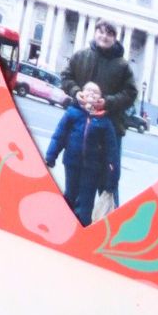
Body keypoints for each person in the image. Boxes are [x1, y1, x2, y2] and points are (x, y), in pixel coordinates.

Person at [44, 82, 120, 226]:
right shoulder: (72, 113)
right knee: (69, 195)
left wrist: (112, 178)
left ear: (101, 99)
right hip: (71, 163)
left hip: (92, 168)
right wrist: (50, 156)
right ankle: (62, 224)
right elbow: (59, 136)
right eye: (88, 90)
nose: (91, 93)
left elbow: (112, 152)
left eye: (96, 92)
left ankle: (82, 228)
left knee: (86, 202)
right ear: (81, 94)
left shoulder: (105, 121)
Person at [60, 18, 138, 147]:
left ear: (115, 38)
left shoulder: (123, 65)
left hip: (110, 127)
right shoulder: (80, 56)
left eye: (109, 34)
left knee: (108, 161)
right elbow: (65, 77)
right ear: (95, 33)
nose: (104, 36)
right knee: (74, 158)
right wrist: (76, 92)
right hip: (80, 122)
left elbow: (131, 93)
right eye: (101, 32)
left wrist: (107, 102)